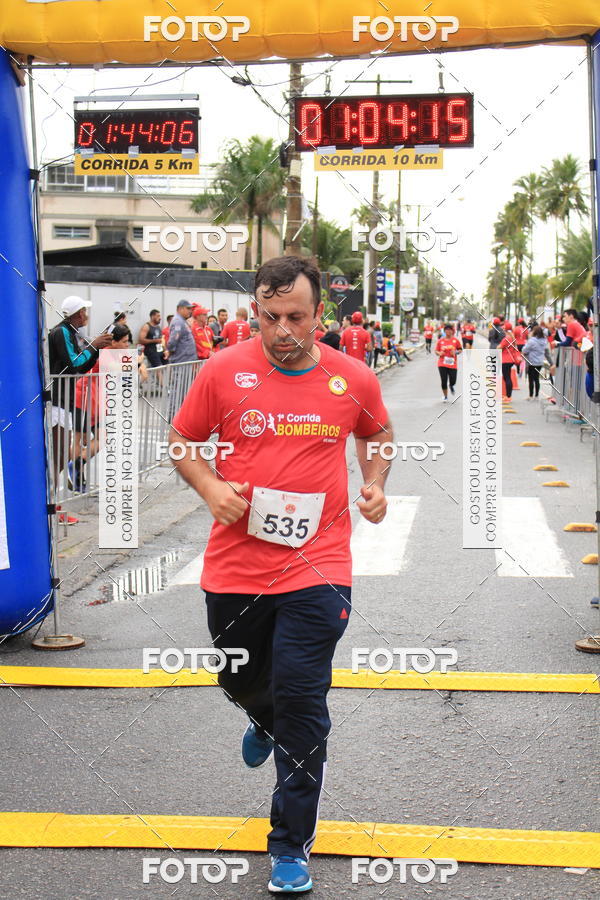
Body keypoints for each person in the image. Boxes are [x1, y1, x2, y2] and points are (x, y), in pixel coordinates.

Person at [169, 254, 391, 895]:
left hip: (319, 567)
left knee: (302, 700)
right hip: (236, 566)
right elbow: (183, 441)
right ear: (255, 314)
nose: (284, 331)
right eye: (270, 318)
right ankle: (258, 715)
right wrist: (211, 489)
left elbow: (377, 437)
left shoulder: (351, 378)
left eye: (297, 317)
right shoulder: (222, 370)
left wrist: (374, 486)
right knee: (239, 676)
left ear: (322, 314)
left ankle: (290, 843)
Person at [48, 295, 113, 523]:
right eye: (85, 311)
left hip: (62, 401)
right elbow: (73, 364)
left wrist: (95, 349)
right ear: (78, 313)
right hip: (57, 401)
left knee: (61, 455)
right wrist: (94, 346)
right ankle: (51, 509)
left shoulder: (70, 332)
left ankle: (52, 507)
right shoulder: (62, 332)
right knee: (58, 456)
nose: (87, 314)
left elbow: (81, 367)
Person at [71, 323, 134, 491]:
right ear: (114, 342)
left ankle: (77, 465)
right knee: (81, 439)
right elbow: (119, 368)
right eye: (125, 341)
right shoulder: (105, 352)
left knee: (101, 438)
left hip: (97, 400)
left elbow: (130, 366)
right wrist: (135, 365)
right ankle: (77, 473)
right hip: (84, 397)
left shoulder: (117, 351)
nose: (127, 345)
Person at [522, 325, 552, 400]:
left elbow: (525, 350)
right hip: (540, 362)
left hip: (531, 362)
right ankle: (537, 395)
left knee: (531, 379)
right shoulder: (544, 341)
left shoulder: (532, 341)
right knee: (536, 378)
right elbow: (546, 352)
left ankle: (531, 395)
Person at [435, 324, 462, 401]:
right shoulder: (440, 341)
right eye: (447, 330)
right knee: (443, 381)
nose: (448, 331)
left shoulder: (455, 340)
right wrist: (439, 353)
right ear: (444, 331)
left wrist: (456, 352)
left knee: (453, 380)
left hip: (452, 364)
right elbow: (436, 351)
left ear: (452, 331)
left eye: (450, 330)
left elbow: (460, 349)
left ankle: (451, 385)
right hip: (442, 363)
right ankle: (445, 396)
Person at [498, 323, 522, 399]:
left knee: (507, 377)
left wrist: (497, 346)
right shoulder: (512, 338)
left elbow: (499, 347)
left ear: (505, 330)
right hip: (511, 360)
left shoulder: (506, 339)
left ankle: (508, 396)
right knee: (507, 377)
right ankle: (508, 395)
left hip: (505, 360)